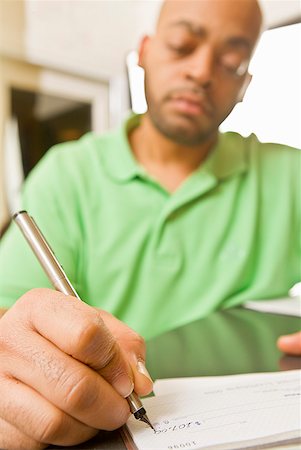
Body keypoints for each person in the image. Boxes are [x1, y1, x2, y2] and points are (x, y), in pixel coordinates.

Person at [0, 0, 300, 447]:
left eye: (231, 61)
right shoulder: (66, 174)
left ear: (245, 86)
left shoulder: (289, 175)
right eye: (182, 45)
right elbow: (9, 316)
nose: (201, 72)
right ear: (143, 52)